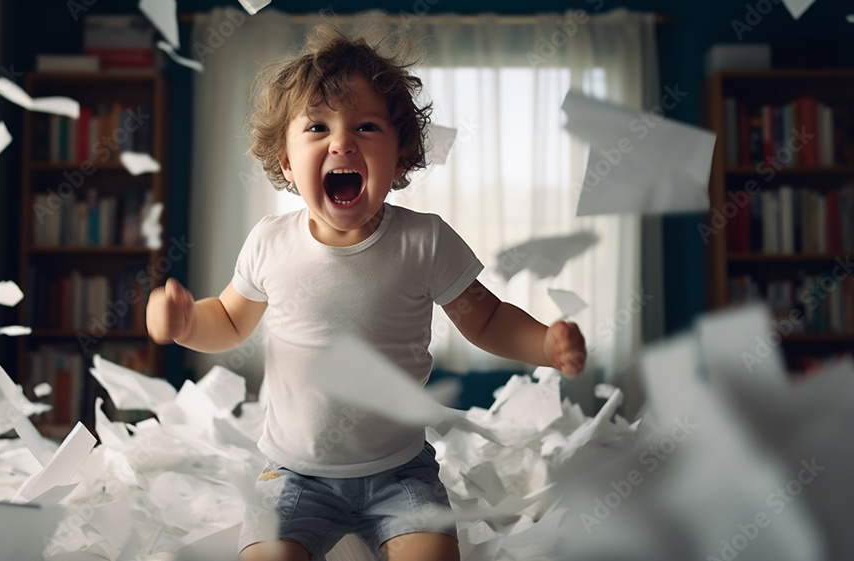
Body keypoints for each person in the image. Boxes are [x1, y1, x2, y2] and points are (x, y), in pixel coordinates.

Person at [146, 24, 587, 561]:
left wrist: (545, 344)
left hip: (400, 473)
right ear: (285, 161)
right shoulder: (270, 242)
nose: (341, 142)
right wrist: (187, 322)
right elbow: (230, 320)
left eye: (367, 126)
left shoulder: (424, 241)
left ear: (401, 157)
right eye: (316, 127)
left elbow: (488, 320)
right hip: (292, 474)